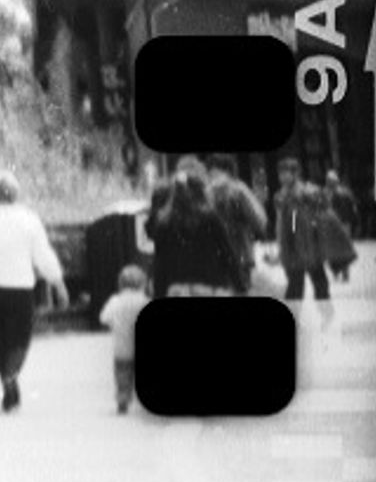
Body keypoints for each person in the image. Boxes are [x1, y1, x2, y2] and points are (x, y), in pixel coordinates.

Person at [0, 170, 69, 412]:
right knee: (20, 337)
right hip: (20, 286)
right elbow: (43, 254)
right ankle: (11, 376)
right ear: (15, 193)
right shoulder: (28, 218)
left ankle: (8, 386)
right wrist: (58, 282)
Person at [150, 166, 244, 297]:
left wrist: (157, 292)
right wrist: (240, 286)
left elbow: (160, 262)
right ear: (201, 192)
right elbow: (227, 253)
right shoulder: (210, 218)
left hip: (177, 289)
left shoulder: (164, 222)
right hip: (210, 286)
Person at [274, 159, 335, 322]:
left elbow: (296, 220)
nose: (282, 177)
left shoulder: (303, 192)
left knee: (314, 281)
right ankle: (317, 314)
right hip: (296, 247)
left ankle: (326, 313)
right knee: (298, 284)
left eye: (286, 172)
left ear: (295, 174)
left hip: (306, 245)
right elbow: (282, 223)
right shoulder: (282, 195)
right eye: (280, 173)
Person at [205, 155, 268, 290]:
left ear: (224, 170)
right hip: (240, 251)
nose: (210, 172)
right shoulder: (238, 189)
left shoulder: (207, 192)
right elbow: (258, 219)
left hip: (216, 253)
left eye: (212, 169)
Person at [97, 263, 150, 414]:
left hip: (121, 348)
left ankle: (123, 399)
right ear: (143, 284)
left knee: (122, 374)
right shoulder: (144, 301)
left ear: (120, 283)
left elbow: (103, 318)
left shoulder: (116, 301)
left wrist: (114, 322)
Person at [322, 170, 358, 284]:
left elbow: (353, 209)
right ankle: (340, 271)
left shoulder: (326, 193)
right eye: (329, 181)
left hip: (337, 224)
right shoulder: (345, 192)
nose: (330, 183)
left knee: (336, 249)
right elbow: (354, 209)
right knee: (340, 249)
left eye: (330, 181)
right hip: (340, 224)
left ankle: (339, 271)